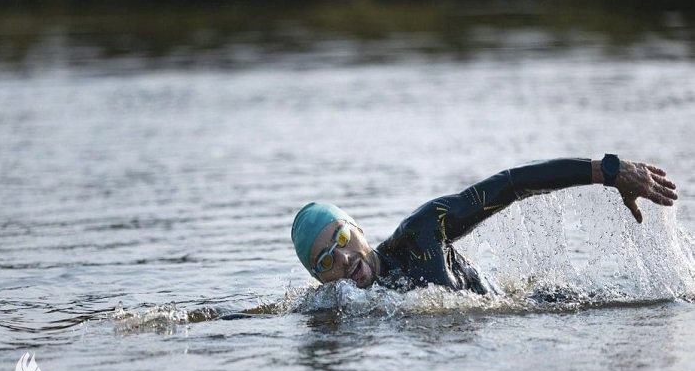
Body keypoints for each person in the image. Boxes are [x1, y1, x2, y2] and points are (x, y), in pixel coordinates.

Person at [290, 155, 678, 294]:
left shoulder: (423, 230)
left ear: (358, 228)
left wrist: (608, 171)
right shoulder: (334, 311)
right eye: (324, 260)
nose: (341, 257)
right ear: (319, 278)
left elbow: (511, 183)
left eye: (341, 237)